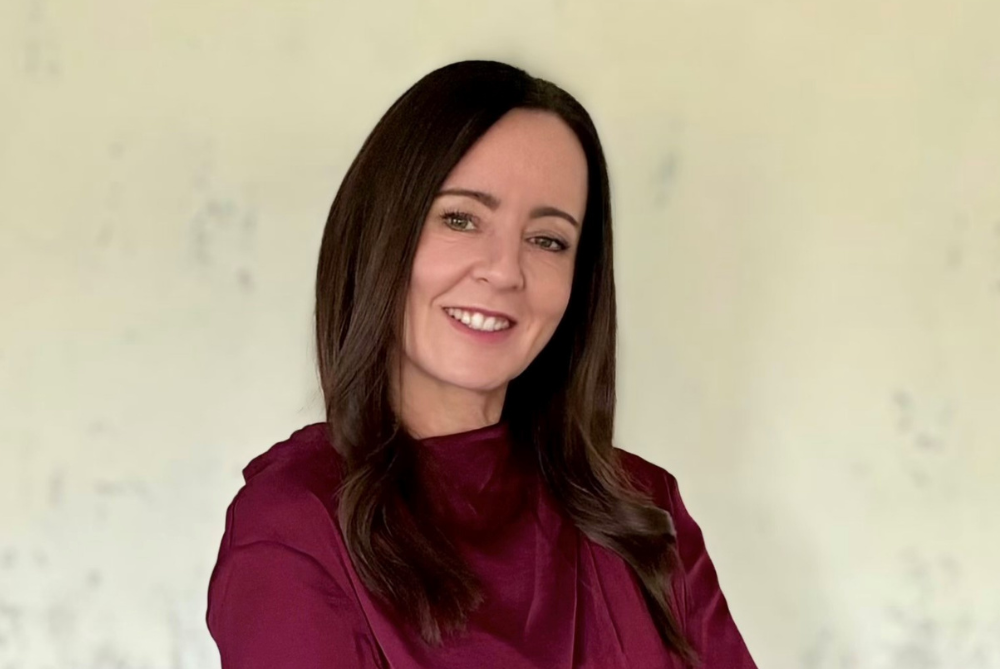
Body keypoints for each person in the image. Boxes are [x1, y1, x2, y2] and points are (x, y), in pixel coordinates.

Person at [205, 59, 758, 669]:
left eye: (548, 239)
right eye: (461, 219)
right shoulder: (296, 527)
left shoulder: (643, 508)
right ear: (381, 235)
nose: (504, 270)